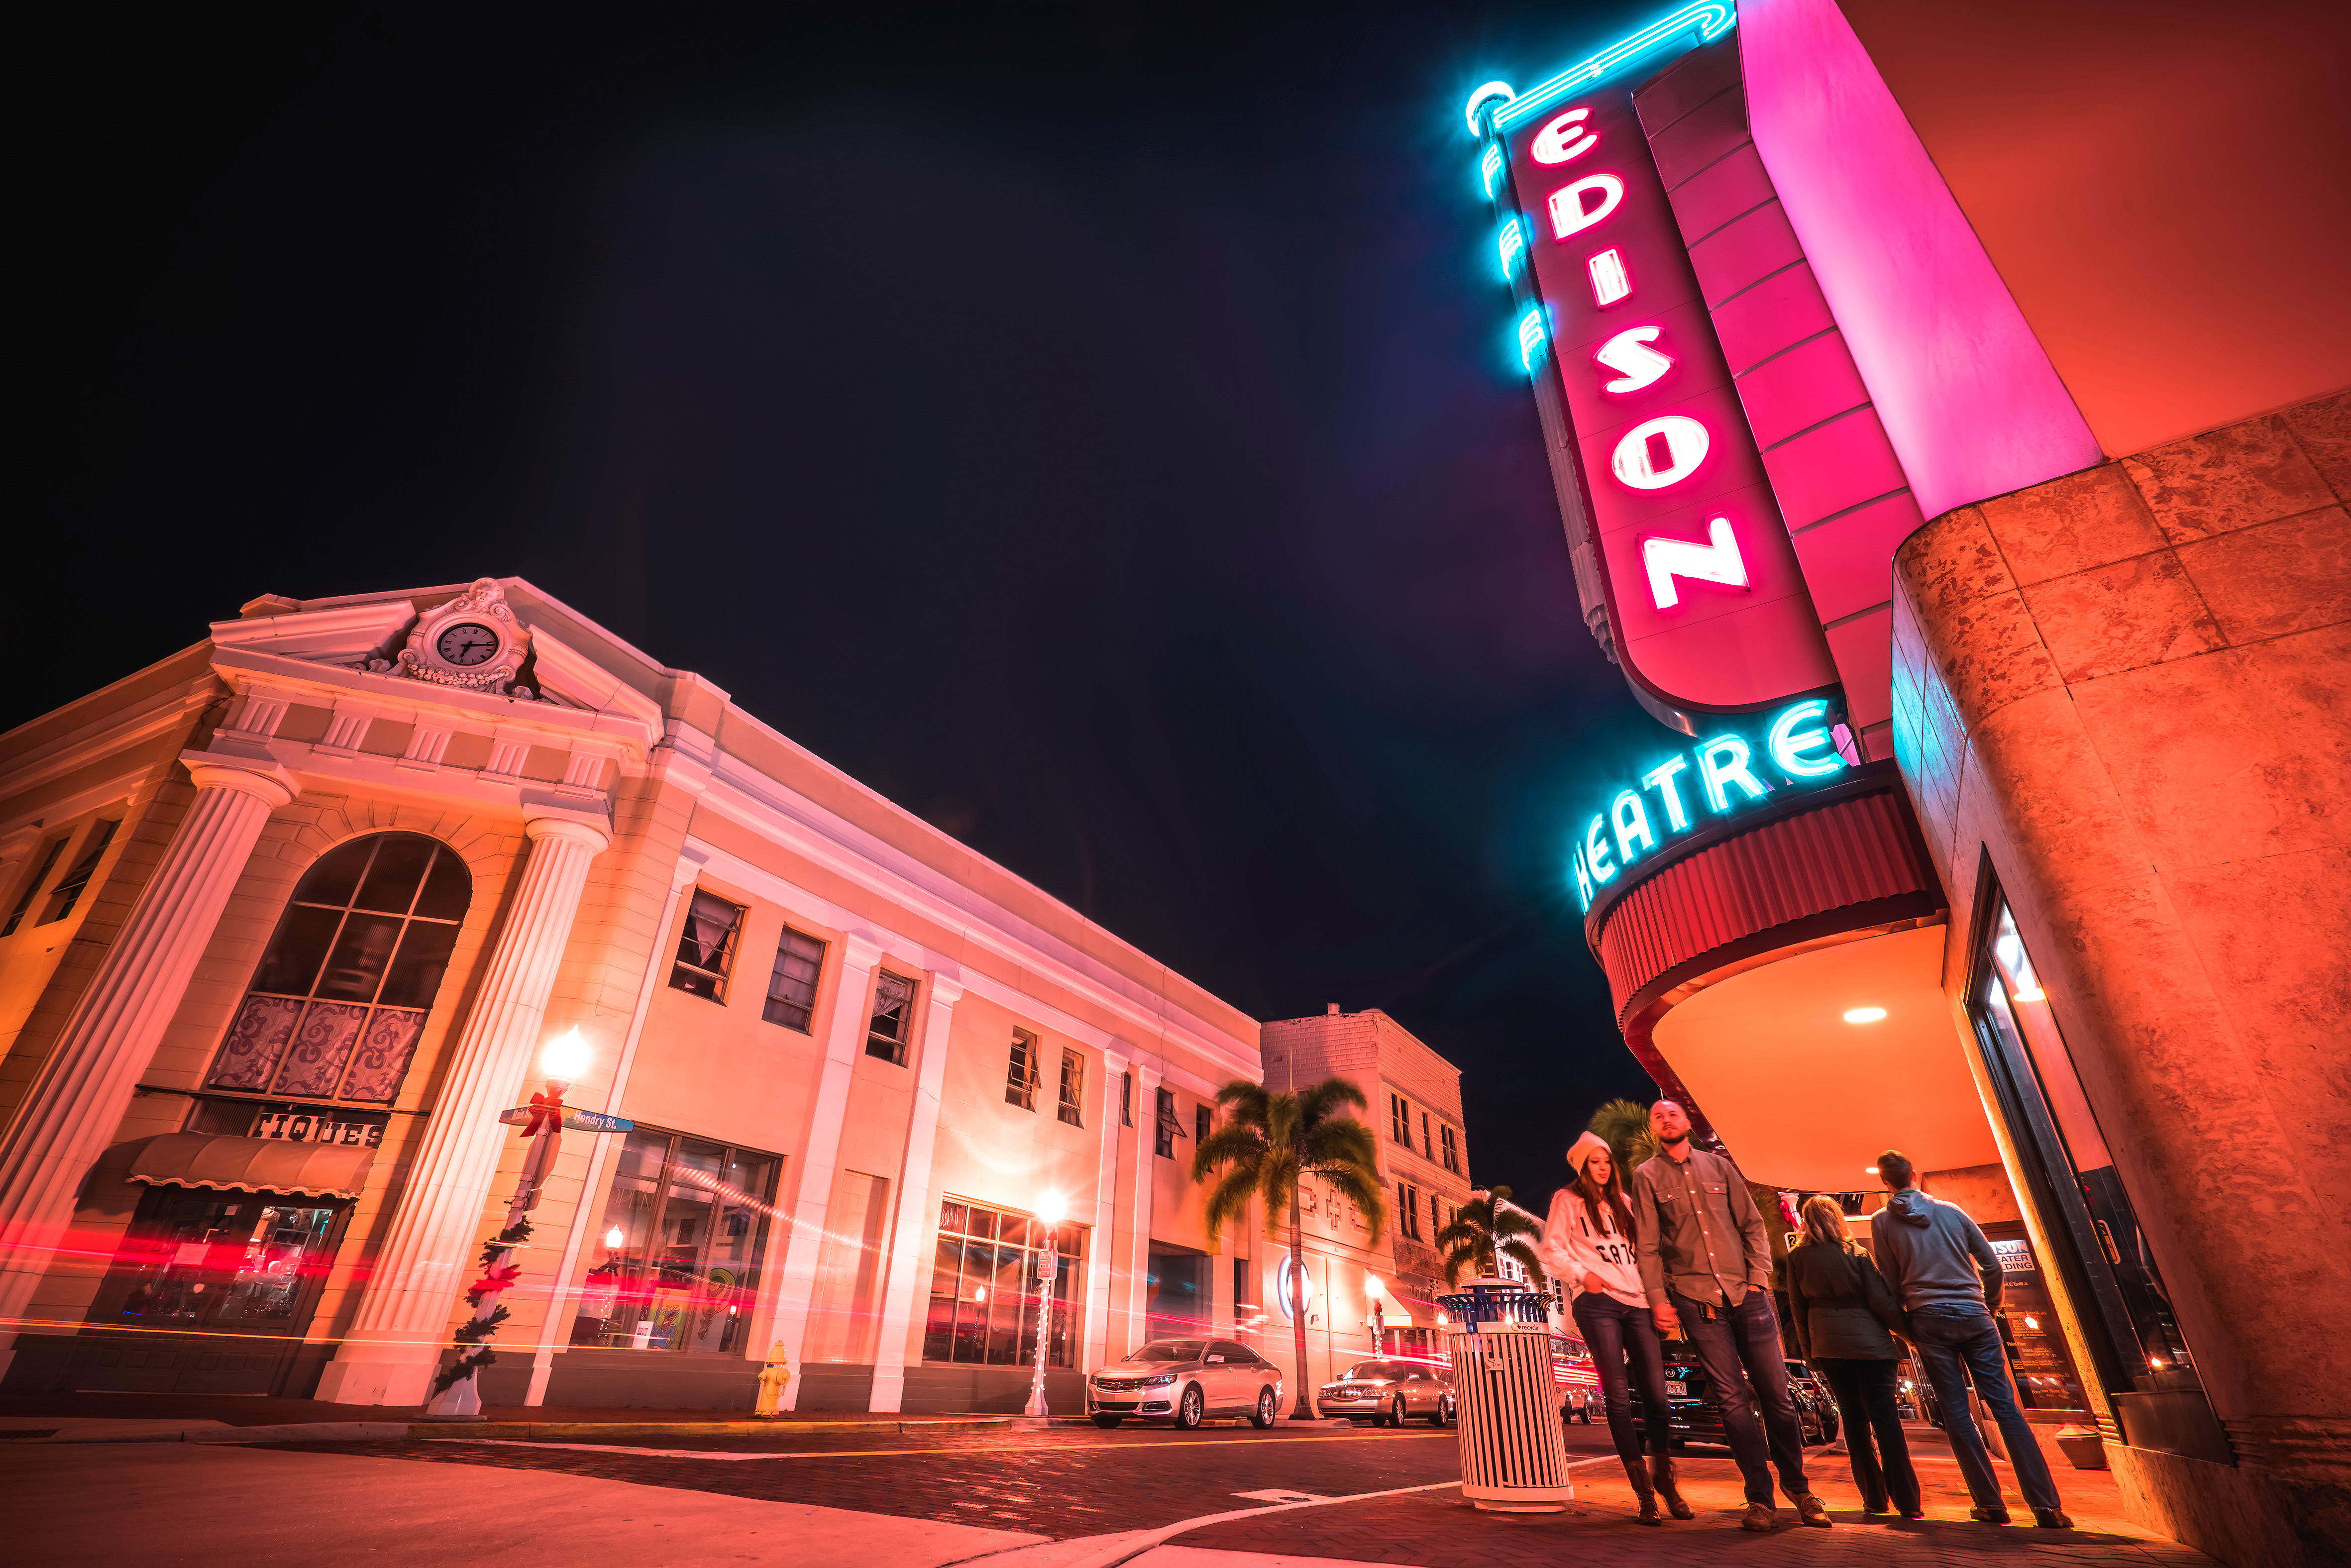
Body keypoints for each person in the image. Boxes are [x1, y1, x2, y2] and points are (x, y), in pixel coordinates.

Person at [1629, 1100, 1831, 1532]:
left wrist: (1758, 1279)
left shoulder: (1719, 1168)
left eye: (1673, 1114)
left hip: (1748, 1293)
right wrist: (1657, 1297)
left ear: (1686, 1122)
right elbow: (1647, 1245)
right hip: (1695, 1297)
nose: (1666, 1119)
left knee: (1776, 1395)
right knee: (1732, 1401)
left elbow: (1752, 1225)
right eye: (1657, 1116)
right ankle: (1760, 1498)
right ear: (1653, 1128)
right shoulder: (1646, 1176)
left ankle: (1800, 1489)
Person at [1869, 1150, 2072, 1529]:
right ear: (1915, 1174)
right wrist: (1989, 1306)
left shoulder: (1882, 1223)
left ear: (1885, 1182)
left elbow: (1890, 1283)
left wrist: (1909, 1329)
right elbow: (1992, 1265)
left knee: (1957, 1412)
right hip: (1975, 1314)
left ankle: (1990, 1503)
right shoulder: (1953, 1211)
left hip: (1928, 1318)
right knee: (2007, 1408)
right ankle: (2046, 1506)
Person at [1542, 1132, 1687, 1525]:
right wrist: (1581, 1273)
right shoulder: (1567, 1201)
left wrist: (1659, 1298)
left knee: (1658, 1397)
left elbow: (1646, 1253)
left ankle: (1664, 1477)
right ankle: (1644, 1494)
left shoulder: (1625, 1204)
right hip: (1597, 1301)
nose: (1603, 1167)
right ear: (1583, 1166)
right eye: (1595, 1161)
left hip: (1637, 1300)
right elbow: (1551, 1249)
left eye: (1607, 1160)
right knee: (1619, 1398)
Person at [1785, 1194, 1922, 1519]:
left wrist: (1810, 1353)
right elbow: (1882, 1301)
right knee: (1886, 1421)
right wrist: (1910, 1335)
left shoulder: (1797, 1258)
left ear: (1806, 1221)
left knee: (1855, 1424)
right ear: (1837, 1217)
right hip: (1873, 1348)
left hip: (1830, 1350)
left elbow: (1798, 1311)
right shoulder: (1857, 1253)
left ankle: (1874, 1499)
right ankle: (1908, 1502)